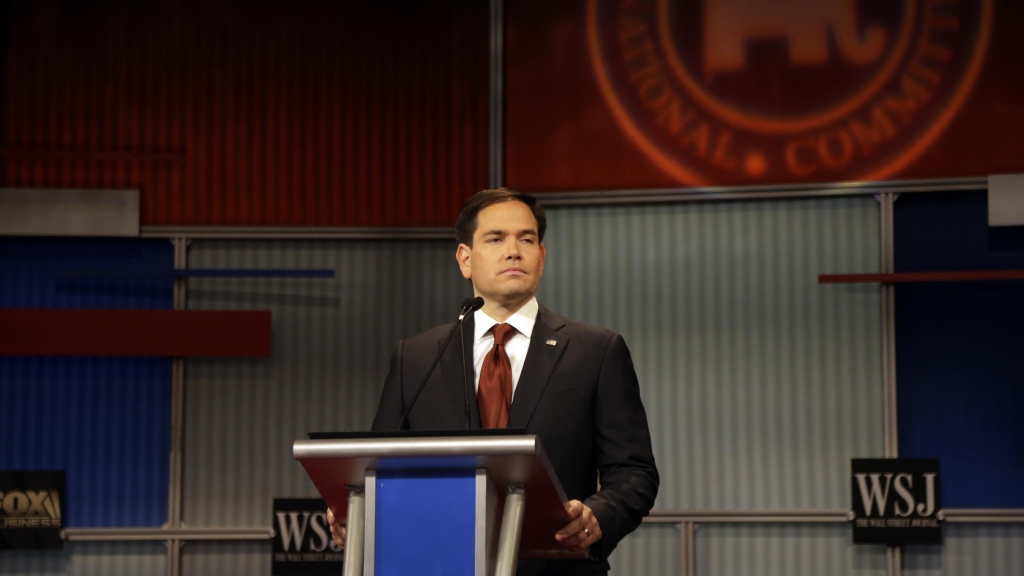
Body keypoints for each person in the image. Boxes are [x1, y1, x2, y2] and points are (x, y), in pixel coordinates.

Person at [328, 188, 659, 575]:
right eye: (496, 238)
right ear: (465, 259)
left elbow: (635, 472)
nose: (514, 250)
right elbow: (380, 466)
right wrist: (359, 510)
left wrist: (598, 517)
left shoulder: (595, 351)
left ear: (542, 257)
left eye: (527, 239)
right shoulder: (416, 358)